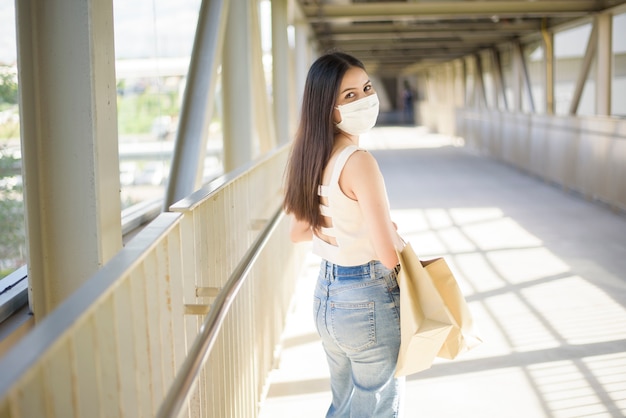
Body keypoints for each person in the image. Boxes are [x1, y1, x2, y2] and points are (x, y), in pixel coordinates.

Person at [283, 51, 404, 417]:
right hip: (367, 296)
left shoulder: (311, 156)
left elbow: (300, 232)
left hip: (327, 295)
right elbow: (387, 254)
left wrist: (355, 226)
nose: (366, 99)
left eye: (366, 88)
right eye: (350, 96)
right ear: (329, 108)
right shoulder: (358, 161)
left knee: (345, 404)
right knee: (377, 408)